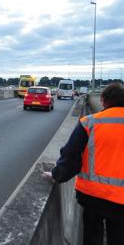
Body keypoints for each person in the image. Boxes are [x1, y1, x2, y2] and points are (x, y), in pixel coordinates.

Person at [50, 83, 124, 245]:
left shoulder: (89, 123)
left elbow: (71, 156)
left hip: (93, 196)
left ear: (103, 100)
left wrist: (57, 174)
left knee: (92, 235)